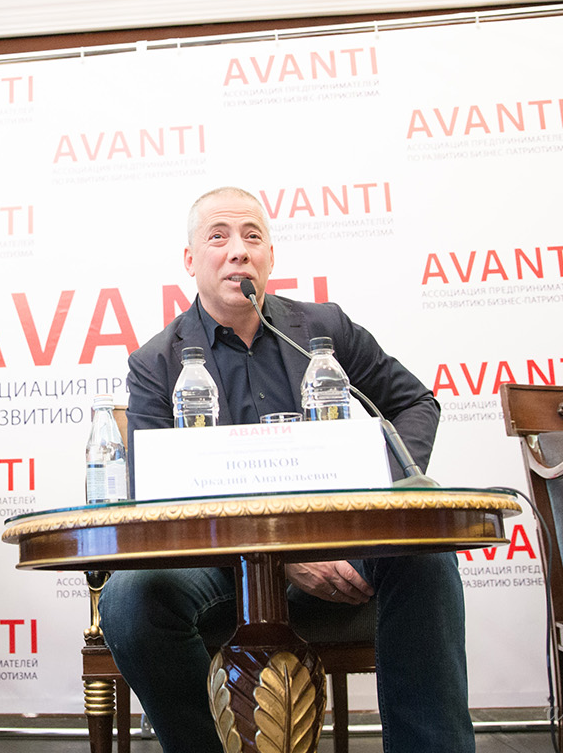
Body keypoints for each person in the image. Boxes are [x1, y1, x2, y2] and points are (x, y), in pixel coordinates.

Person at [98, 187, 474, 753]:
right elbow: (156, 498)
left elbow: (414, 404)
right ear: (190, 260)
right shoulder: (156, 362)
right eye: (219, 237)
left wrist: (381, 489)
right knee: (130, 600)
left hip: (339, 540)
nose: (238, 250)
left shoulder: (324, 330)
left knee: (425, 556)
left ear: (270, 256)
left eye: (253, 236)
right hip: (221, 562)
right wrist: (279, 557)